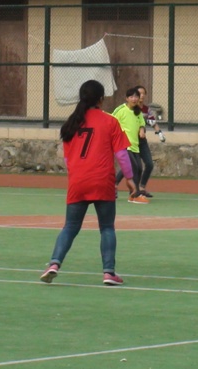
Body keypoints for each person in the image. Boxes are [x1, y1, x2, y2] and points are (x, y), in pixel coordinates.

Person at [40, 80, 135, 286]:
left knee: (70, 227)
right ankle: (108, 273)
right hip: (102, 180)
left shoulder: (71, 124)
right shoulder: (110, 121)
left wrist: (78, 176)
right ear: (101, 99)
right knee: (107, 227)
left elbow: (67, 160)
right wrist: (130, 179)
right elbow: (122, 155)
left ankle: (54, 264)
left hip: (78, 181)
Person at [112, 87, 148, 204]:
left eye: (136, 96)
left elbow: (142, 123)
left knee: (139, 168)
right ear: (126, 98)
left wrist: (141, 129)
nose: (134, 99)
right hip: (124, 145)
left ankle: (128, 192)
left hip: (135, 145)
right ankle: (135, 194)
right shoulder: (121, 110)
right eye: (131, 97)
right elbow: (111, 121)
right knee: (134, 168)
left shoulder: (138, 112)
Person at [134, 85, 164, 198]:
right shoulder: (130, 108)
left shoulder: (147, 110)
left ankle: (142, 188)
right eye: (139, 93)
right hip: (131, 141)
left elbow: (153, 123)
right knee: (134, 167)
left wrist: (159, 133)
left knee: (149, 164)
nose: (141, 96)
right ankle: (117, 185)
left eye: (143, 93)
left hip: (142, 141)